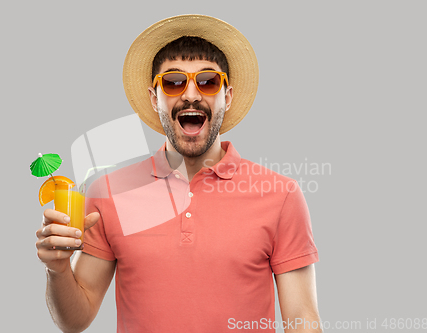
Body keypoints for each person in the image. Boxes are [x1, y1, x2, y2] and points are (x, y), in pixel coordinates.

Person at [36, 14, 322, 333]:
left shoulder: (280, 194)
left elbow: (302, 319)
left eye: (207, 81)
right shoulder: (109, 192)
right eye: (173, 82)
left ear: (226, 96)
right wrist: (57, 268)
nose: (190, 95)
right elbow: (75, 321)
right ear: (153, 97)